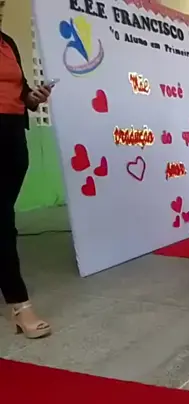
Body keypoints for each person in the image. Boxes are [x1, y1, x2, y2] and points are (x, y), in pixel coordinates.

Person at [1, 29, 53, 338]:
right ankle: (20, 305)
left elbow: (20, 92)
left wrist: (33, 98)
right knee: (3, 221)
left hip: (13, 135)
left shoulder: (8, 42)